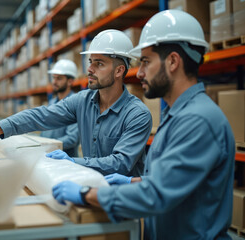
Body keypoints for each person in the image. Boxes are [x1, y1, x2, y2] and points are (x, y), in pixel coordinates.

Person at [51, 10, 235, 239]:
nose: (139, 73)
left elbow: (156, 195)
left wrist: (87, 193)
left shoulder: (197, 120)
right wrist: (134, 180)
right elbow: (175, 180)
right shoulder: (179, 114)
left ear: (173, 62)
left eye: (146, 62)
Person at [0, 29, 152, 177]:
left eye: (99, 64)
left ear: (119, 71)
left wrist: (72, 162)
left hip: (123, 202)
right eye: (90, 62)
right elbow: (40, 116)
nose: (90, 69)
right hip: (90, 187)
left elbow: (120, 163)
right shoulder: (83, 101)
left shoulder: (137, 114)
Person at [40, 59, 80, 157]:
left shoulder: (76, 104)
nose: (54, 82)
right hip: (48, 156)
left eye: (59, 78)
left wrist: (47, 145)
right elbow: (44, 130)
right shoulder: (52, 103)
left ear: (70, 81)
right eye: (54, 78)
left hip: (65, 160)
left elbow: (72, 139)